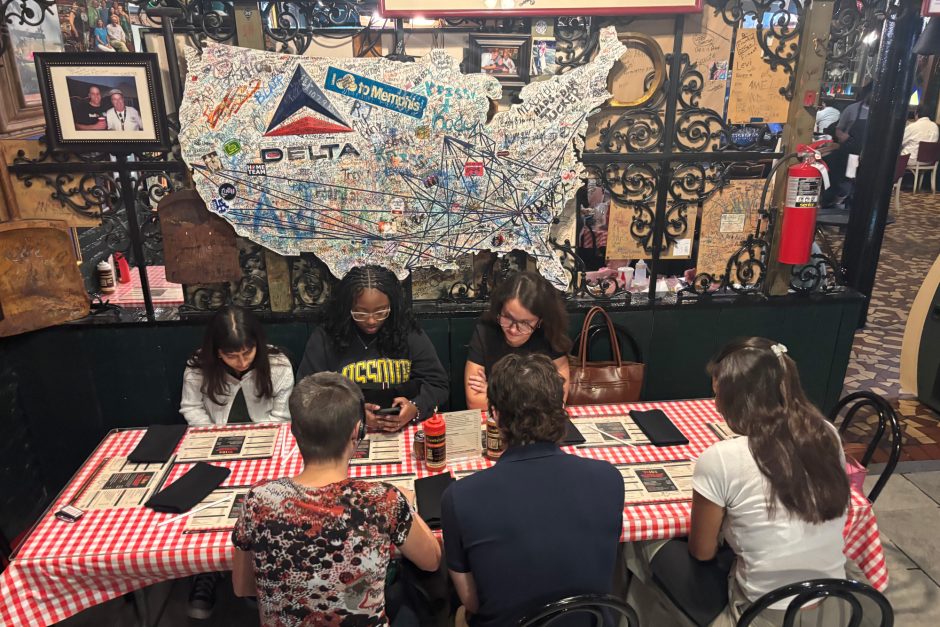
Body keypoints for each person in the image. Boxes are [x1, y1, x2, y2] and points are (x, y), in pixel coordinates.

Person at [654, 337, 850, 626]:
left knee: (645, 547)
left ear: (738, 400)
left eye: (718, 394)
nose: (716, 405)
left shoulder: (723, 457)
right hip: (837, 607)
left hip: (762, 615)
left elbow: (702, 551)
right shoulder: (826, 433)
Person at [232, 372, 441, 626]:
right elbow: (432, 560)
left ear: (294, 431)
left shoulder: (258, 500)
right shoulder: (383, 500)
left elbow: (243, 587)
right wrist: (404, 504)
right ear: (357, 431)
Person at [442, 353, 624, 626]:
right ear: (559, 408)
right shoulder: (609, 478)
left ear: (496, 415)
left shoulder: (460, 497)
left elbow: (472, 602)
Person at [297, 265, 448, 432]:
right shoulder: (325, 337)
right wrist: (353, 414)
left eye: (381, 312)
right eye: (360, 313)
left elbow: (437, 383)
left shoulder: (406, 332)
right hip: (345, 431)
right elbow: (306, 394)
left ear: (392, 306)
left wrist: (415, 407)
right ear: (347, 309)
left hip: (404, 430)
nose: (371, 321)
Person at [464, 271, 571, 410]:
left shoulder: (548, 335)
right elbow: (474, 402)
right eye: (508, 317)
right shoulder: (486, 332)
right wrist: (536, 399)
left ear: (540, 321)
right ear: (499, 308)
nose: (513, 329)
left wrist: (494, 395)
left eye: (525, 323)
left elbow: (557, 401)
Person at [180, 305, 293, 426]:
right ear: (218, 352)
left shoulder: (278, 365)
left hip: (266, 433)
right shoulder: (200, 366)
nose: (242, 362)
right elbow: (192, 407)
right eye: (231, 356)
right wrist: (212, 432)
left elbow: (281, 416)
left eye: (248, 352)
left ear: (257, 344)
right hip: (214, 433)